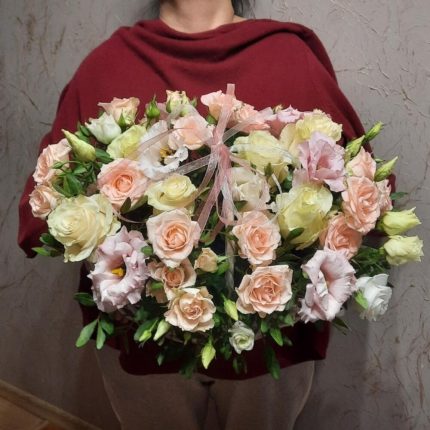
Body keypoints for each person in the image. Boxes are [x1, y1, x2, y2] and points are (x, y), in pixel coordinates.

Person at [18, 0, 365, 428]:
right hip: (146, 342)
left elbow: (358, 195)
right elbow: (42, 216)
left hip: (266, 341)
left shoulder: (289, 56)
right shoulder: (108, 64)